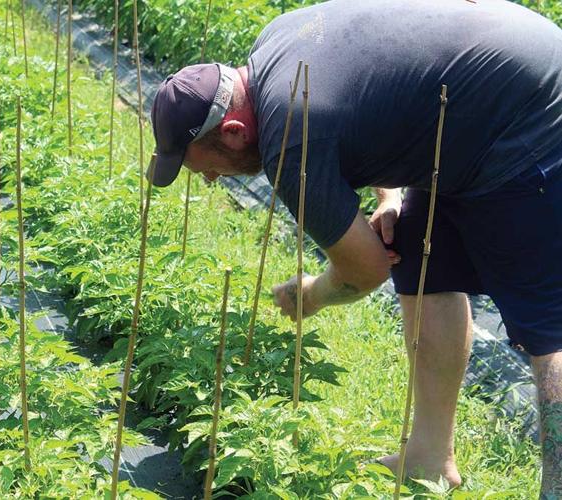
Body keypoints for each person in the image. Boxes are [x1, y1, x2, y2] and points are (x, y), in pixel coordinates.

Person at [147, 0, 562, 495]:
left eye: (208, 167)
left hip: (530, 111)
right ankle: (429, 457)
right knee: (422, 258)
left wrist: (312, 294)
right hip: (488, 78)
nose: (212, 179)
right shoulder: (276, 42)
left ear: (234, 133)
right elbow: (378, 87)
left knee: (546, 329)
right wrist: (390, 196)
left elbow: (365, 270)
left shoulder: (288, 143)